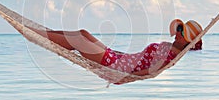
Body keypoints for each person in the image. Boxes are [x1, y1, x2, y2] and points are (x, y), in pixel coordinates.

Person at [29, 19, 203, 76]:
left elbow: (151, 71)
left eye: (183, 33)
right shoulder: (169, 47)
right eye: (180, 28)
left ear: (188, 41)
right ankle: (44, 33)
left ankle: (36, 33)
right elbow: (139, 57)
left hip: (116, 67)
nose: (179, 32)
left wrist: (123, 76)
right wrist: (120, 55)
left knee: (79, 41)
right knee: (83, 33)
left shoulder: (171, 57)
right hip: (118, 58)